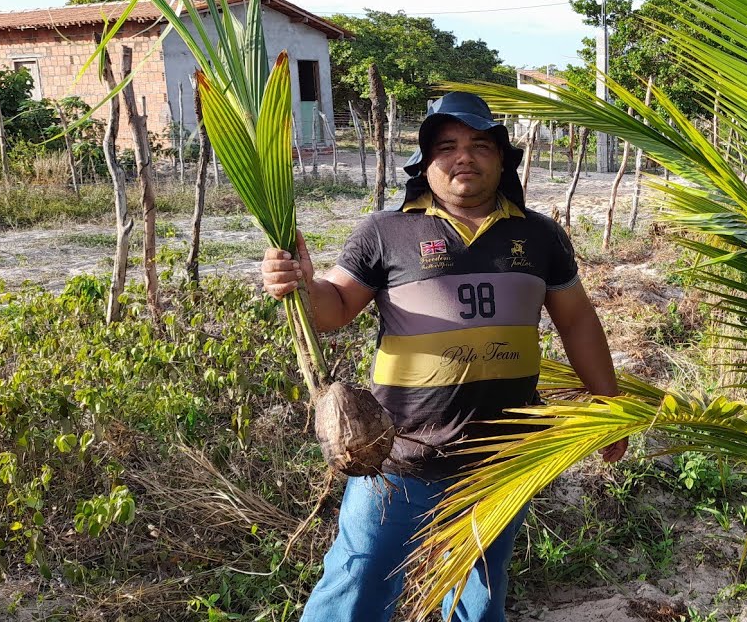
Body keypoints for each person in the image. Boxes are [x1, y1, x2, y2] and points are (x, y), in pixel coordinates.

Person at [261, 91, 625, 621]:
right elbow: (334, 307)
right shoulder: (384, 231)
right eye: (447, 146)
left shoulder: (539, 235)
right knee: (358, 585)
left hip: (505, 458)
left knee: (480, 593)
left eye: (480, 144)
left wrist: (608, 408)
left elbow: (577, 321)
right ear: (424, 162)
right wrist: (299, 281)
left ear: (502, 158)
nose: (464, 157)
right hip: (399, 458)